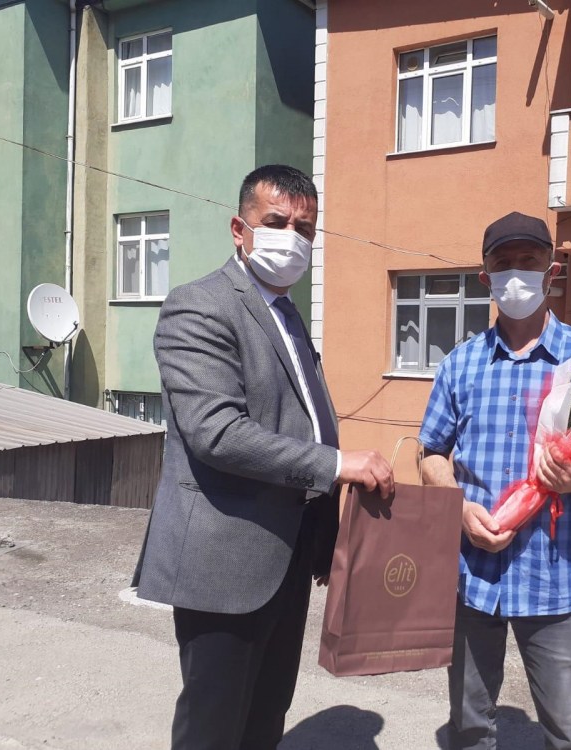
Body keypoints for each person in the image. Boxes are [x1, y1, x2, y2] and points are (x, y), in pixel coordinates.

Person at [132, 164, 394, 750]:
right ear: (239, 228)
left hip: (287, 553)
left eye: (305, 228)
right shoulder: (198, 306)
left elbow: (300, 417)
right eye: (276, 222)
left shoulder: (286, 313)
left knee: (266, 714)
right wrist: (336, 466)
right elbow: (217, 433)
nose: (292, 238)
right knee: (214, 725)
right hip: (224, 559)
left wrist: (326, 531)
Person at [419, 212, 571, 750]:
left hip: (561, 579)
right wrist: (457, 507)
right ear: (486, 278)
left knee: (569, 732)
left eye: (529, 260)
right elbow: (431, 453)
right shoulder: (460, 364)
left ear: (552, 272)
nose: (515, 273)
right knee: (469, 726)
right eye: (503, 263)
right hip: (472, 577)